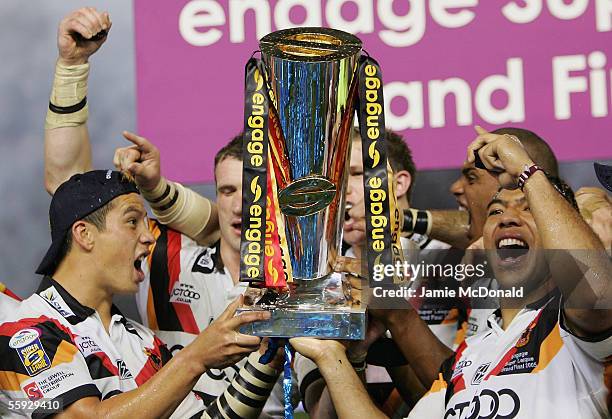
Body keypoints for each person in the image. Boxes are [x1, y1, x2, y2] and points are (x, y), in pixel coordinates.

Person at [42, 8, 290, 415]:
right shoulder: (163, 254)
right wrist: (72, 68)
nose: (241, 202)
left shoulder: (307, 269)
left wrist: (159, 191)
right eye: (227, 189)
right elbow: (70, 191)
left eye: (255, 189)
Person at [290, 127, 612, 418]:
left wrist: (527, 172)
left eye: (527, 208)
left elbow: (595, 291)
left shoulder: (571, 331)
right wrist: (331, 356)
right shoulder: (469, 356)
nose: (507, 219)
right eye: (496, 211)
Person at [0, 170, 280, 418]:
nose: (148, 237)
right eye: (133, 221)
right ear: (84, 234)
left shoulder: (146, 343)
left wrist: (266, 360)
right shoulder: (27, 331)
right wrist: (196, 357)